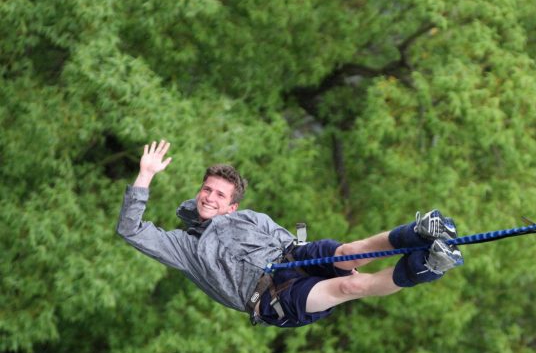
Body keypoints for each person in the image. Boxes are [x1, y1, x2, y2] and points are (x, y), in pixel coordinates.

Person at [117, 140, 464, 327]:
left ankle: (418, 231)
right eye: (207, 190)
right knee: (350, 286)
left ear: (232, 206)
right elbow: (130, 229)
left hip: (292, 256)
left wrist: (312, 253)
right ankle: (428, 266)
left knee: (348, 254)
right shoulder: (184, 247)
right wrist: (145, 174)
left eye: (219, 194)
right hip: (271, 299)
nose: (209, 197)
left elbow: (290, 237)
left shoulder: (251, 217)